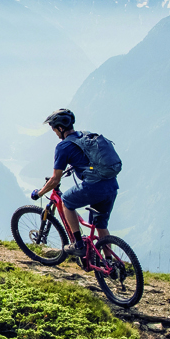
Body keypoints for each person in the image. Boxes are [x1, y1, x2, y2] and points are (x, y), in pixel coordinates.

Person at [32, 108, 116, 257]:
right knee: (100, 226)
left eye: (54, 129)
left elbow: (55, 179)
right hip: (111, 185)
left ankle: (78, 244)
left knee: (66, 202)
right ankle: (110, 263)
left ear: (60, 127)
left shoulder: (63, 147)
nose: (55, 133)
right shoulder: (86, 135)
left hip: (93, 187)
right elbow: (88, 160)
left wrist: (39, 193)